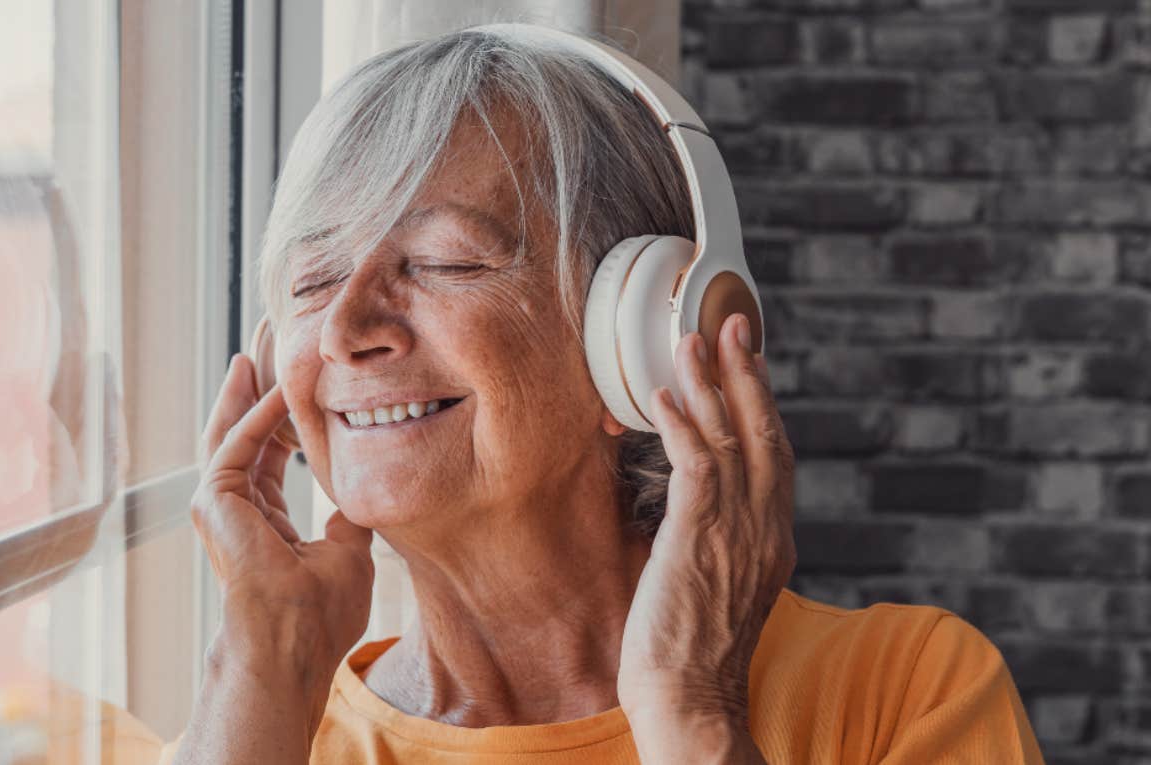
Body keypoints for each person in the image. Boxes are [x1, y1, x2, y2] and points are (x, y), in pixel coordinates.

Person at [164, 24, 1044, 764]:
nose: (345, 328)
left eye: (443, 261)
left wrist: (692, 708)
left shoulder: (910, 692)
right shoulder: (264, 724)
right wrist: (256, 664)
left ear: (643, 335)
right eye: (313, 279)